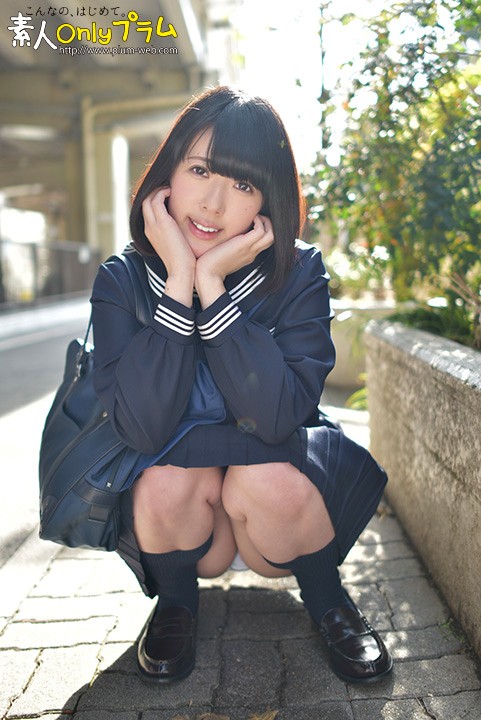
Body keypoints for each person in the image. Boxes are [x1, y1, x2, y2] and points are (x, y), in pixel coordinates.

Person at [90, 85, 393, 685]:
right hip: (193, 522)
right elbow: (142, 429)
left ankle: (328, 597)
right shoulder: (122, 280)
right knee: (159, 477)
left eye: (244, 184)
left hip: (270, 519)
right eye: (200, 170)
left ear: (267, 200)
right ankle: (176, 602)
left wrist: (214, 288)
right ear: (167, 177)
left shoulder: (298, 272)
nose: (213, 203)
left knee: (269, 475)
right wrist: (180, 282)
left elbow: (278, 418)